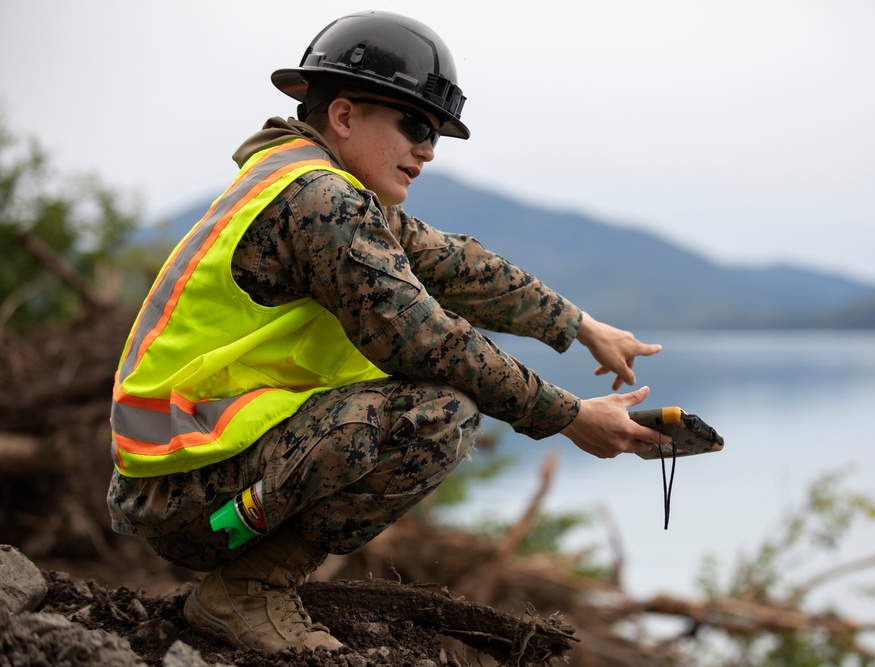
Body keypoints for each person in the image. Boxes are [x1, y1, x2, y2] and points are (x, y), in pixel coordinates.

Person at [107, 10, 664, 653]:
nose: (428, 150)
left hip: (183, 475)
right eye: (416, 125)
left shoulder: (307, 182)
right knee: (439, 413)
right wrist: (569, 416)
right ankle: (247, 592)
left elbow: (461, 266)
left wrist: (583, 326)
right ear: (344, 117)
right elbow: (426, 338)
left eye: (436, 135)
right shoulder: (320, 201)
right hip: (187, 493)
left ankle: (247, 584)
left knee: (429, 400)